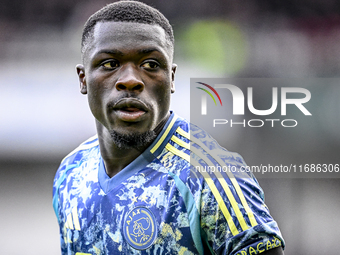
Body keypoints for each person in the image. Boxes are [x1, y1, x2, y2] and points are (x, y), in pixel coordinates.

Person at [52, 1, 285, 254]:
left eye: (151, 64)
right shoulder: (71, 173)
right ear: (83, 78)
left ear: (171, 78)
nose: (130, 80)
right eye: (110, 63)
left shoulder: (211, 176)